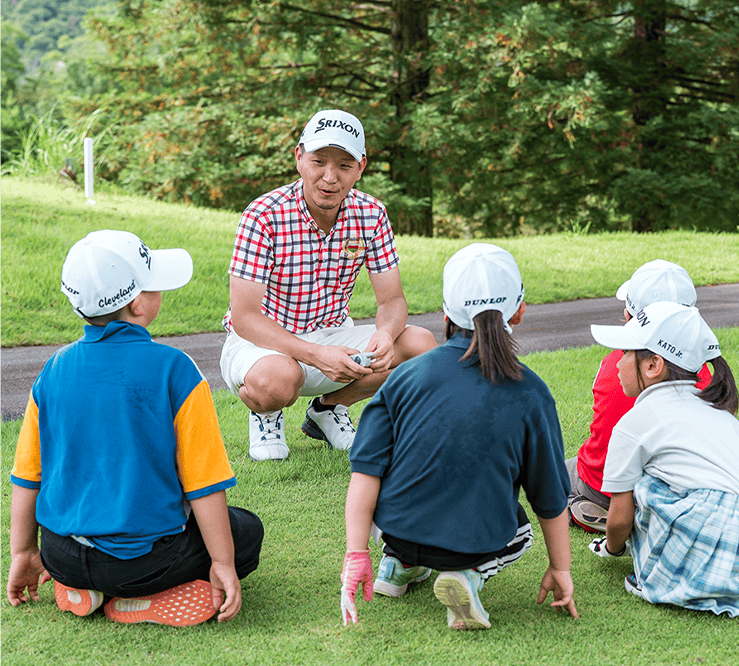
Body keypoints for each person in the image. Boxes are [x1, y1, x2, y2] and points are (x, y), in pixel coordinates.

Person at [7, 230, 264, 626]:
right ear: (139, 304)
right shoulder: (176, 370)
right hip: (146, 564)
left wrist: (24, 553)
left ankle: (84, 589)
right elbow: (203, 482)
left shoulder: (52, 370)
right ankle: (144, 597)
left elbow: (27, 475)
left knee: (90, 551)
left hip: (61, 555)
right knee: (246, 531)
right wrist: (223, 562)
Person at [339, 243, 578, 630]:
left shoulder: (404, 376)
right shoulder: (531, 392)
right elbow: (549, 498)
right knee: (520, 531)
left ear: (446, 312)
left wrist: (356, 554)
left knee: (402, 489)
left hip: (395, 530)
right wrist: (560, 568)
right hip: (473, 541)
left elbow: (366, 471)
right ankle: (469, 575)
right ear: (519, 310)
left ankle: (396, 567)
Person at [221, 109, 437, 461]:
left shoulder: (372, 214)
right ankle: (266, 413)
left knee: (420, 345)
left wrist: (385, 333)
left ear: (361, 167)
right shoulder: (263, 214)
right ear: (299, 158)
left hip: (334, 338)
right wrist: (317, 356)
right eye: (318, 161)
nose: (329, 177)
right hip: (263, 344)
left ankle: (328, 409)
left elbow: (393, 300)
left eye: (344, 166)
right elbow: (245, 318)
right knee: (278, 378)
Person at [588, 301, 739, 617]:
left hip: (718, 538)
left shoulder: (635, 423)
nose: (617, 364)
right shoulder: (715, 411)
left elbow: (618, 519)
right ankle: (726, 577)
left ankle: (670, 578)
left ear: (653, 365)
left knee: (645, 485)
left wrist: (613, 548)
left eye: (625, 353)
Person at [566, 260, 713, 533]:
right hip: (676, 494)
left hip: (607, 485)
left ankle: (594, 503)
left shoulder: (615, 365)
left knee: (559, 470)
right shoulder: (707, 373)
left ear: (628, 315)